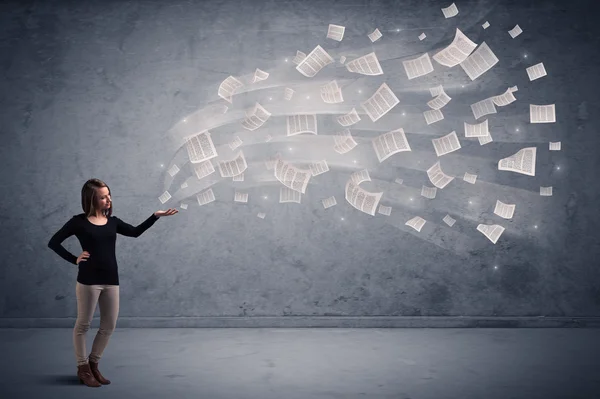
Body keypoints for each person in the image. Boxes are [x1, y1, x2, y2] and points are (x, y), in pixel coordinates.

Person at [47, 178, 178, 387]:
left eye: (109, 195)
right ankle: (82, 368)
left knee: (108, 325)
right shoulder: (78, 222)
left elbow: (135, 232)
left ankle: (93, 364)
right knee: (83, 325)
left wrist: (155, 216)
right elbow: (53, 242)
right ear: (91, 199)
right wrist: (74, 259)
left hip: (111, 280)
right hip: (88, 281)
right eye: (102, 197)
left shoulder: (113, 222)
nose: (108, 199)